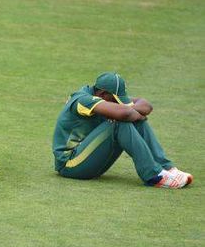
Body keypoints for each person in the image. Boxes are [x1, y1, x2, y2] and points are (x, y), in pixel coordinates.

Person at [52, 72, 193, 188]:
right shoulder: (83, 100)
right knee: (120, 122)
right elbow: (125, 114)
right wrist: (132, 114)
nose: (118, 102)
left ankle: (167, 168)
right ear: (102, 94)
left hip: (89, 159)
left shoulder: (103, 96)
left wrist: (131, 112)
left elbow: (146, 105)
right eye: (115, 99)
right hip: (70, 164)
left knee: (130, 119)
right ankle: (153, 176)